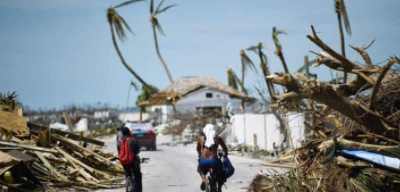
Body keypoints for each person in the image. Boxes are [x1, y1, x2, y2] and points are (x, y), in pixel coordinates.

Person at [197, 124, 229, 192]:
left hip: (203, 161)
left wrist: (200, 155)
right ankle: (219, 189)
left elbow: (198, 149)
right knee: (221, 173)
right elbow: (225, 148)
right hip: (214, 161)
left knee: (201, 169)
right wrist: (225, 154)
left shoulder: (201, 138)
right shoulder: (218, 138)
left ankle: (203, 179)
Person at [117, 127, 142, 192]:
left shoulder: (119, 142)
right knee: (137, 175)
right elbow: (138, 151)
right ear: (128, 132)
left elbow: (119, 153)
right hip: (133, 162)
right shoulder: (133, 140)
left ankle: (128, 183)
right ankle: (137, 190)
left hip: (124, 162)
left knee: (127, 173)